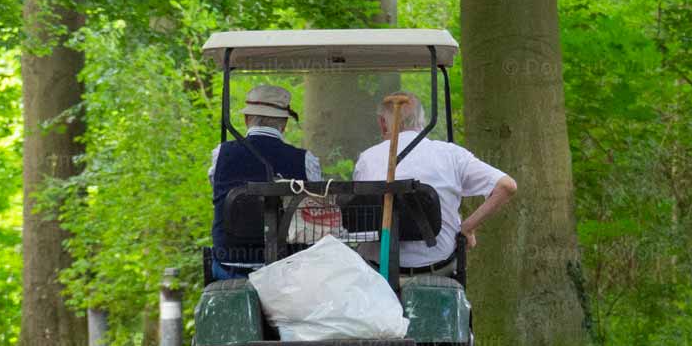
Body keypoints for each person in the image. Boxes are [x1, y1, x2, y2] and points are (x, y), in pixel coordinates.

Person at [352, 93, 517, 275]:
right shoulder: (451, 155)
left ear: (383, 123)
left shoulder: (367, 159)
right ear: (422, 120)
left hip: (379, 271)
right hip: (438, 269)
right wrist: (467, 229)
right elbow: (506, 186)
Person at [208, 84, 321, 274]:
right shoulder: (305, 160)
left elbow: (217, 192)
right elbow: (317, 203)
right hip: (289, 267)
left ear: (246, 120)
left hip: (230, 263)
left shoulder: (221, 154)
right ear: (284, 124)